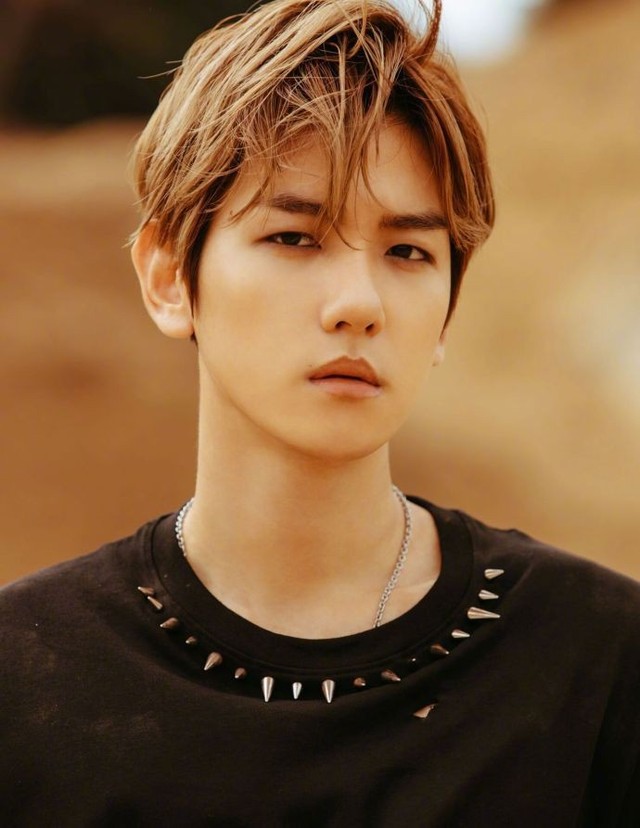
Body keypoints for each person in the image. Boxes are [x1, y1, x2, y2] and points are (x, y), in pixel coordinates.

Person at [1, 0, 638, 825]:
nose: (359, 303)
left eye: (408, 251)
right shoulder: (27, 675)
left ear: (448, 310)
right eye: (294, 238)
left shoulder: (599, 664)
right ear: (168, 276)